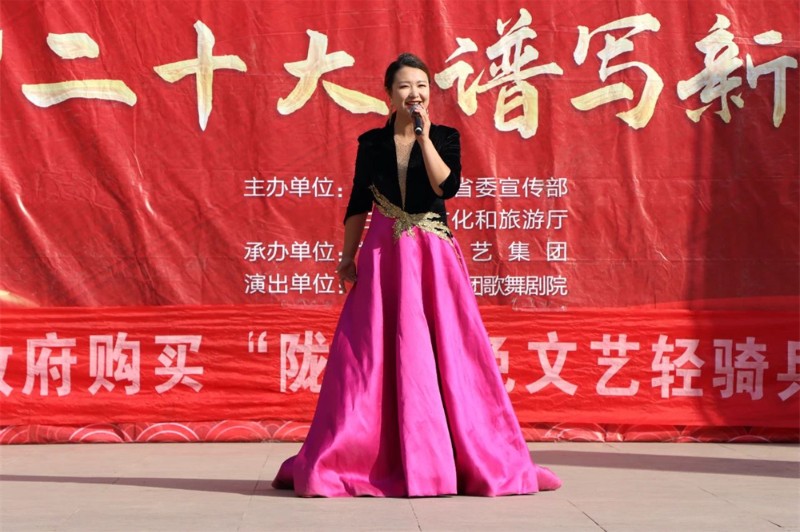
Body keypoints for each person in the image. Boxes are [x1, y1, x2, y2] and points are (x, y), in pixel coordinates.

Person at [272, 53, 561, 497]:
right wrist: (347, 257)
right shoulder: (372, 143)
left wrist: (424, 138)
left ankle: (453, 457)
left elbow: (447, 186)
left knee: (448, 349)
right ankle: (365, 454)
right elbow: (358, 203)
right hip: (384, 256)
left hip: (432, 257)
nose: (415, 93)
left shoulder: (444, 137)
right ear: (389, 94)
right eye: (405, 86)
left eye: (422, 86)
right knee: (369, 351)